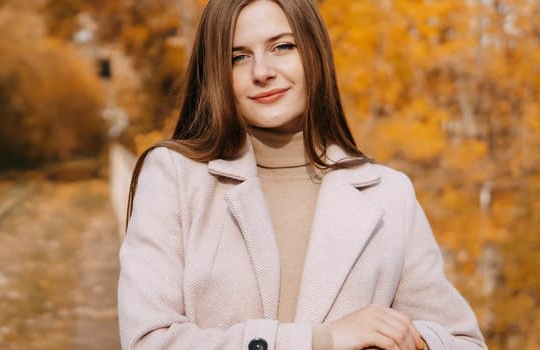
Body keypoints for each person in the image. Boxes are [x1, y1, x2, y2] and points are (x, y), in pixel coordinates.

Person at [117, 0, 487, 349]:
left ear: (314, 53)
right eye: (238, 57)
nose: (262, 72)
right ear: (217, 73)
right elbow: (149, 340)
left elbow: (462, 340)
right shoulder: (174, 177)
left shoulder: (390, 194)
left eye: (282, 47)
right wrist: (319, 341)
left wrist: (403, 340)